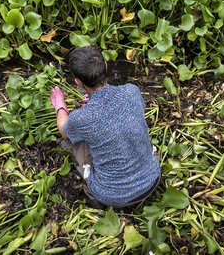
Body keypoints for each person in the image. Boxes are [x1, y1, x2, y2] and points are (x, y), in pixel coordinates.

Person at [50, 46, 160, 208]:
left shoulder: (81, 118)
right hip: (152, 179)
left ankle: (94, 197)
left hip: (114, 195)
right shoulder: (131, 91)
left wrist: (60, 105)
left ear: (78, 82)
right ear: (106, 67)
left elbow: (63, 130)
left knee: (74, 143)